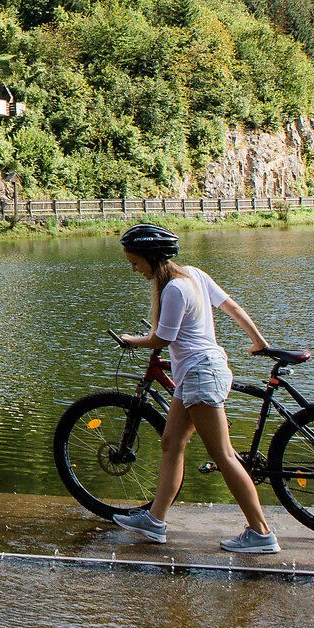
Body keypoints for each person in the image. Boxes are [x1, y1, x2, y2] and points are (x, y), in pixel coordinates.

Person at [109, 223, 282, 555]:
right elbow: (232, 307)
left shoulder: (174, 288)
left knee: (224, 455)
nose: (134, 269)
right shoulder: (194, 275)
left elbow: (163, 339)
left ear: (150, 257)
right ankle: (155, 521)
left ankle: (261, 533)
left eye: (135, 262)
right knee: (171, 443)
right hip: (196, 373)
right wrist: (259, 342)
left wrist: (133, 342)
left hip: (201, 374)